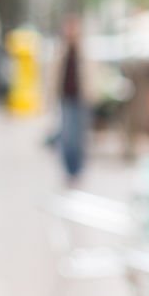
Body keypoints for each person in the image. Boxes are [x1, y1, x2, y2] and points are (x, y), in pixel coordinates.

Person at [55, 16, 89, 184]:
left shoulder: (84, 51)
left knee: (78, 137)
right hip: (65, 99)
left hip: (80, 99)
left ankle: (77, 169)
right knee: (67, 136)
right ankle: (69, 169)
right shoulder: (62, 51)